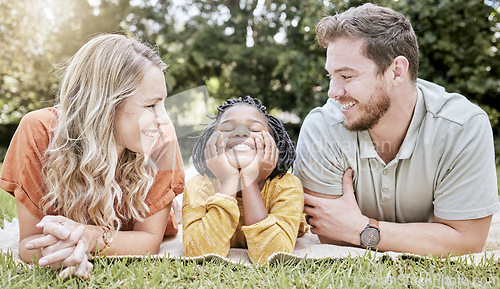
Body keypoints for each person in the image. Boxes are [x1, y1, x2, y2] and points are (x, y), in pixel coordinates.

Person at [295, 3, 499, 256]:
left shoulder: (463, 127)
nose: (333, 92)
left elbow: (467, 242)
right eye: (331, 77)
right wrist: (431, 237)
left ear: (397, 71)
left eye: (346, 76)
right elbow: (328, 232)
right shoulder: (321, 128)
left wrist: (362, 229)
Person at [0, 33, 185, 278]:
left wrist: (90, 238)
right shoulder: (38, 131)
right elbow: (30, 241)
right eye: (151, 105)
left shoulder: (162, 138)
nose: (164, 119)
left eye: (163, 103)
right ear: (105, 104)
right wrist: (64, 252)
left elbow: (149, 240)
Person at [182, 96, 307, 264]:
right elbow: (199, 252)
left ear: (274, 142)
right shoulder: (199, 186)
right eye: (227, 128)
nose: (240, 133)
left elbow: (271, 255)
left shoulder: (287, 185)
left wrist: (249, 180)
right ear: (209, 143)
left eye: (254, 129)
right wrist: (230, 181)